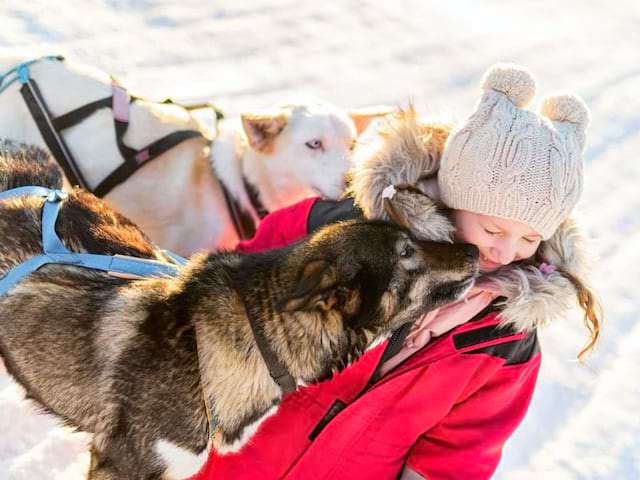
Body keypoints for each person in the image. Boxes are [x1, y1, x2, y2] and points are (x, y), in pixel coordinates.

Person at [192, 63, 602, 480]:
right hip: (228, 457)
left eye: (529, 239)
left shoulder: (504, 343)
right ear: (454, 197)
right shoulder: (339, 228)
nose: (506, 249)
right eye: (492, 228)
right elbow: (231, 288)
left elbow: (456, 456)